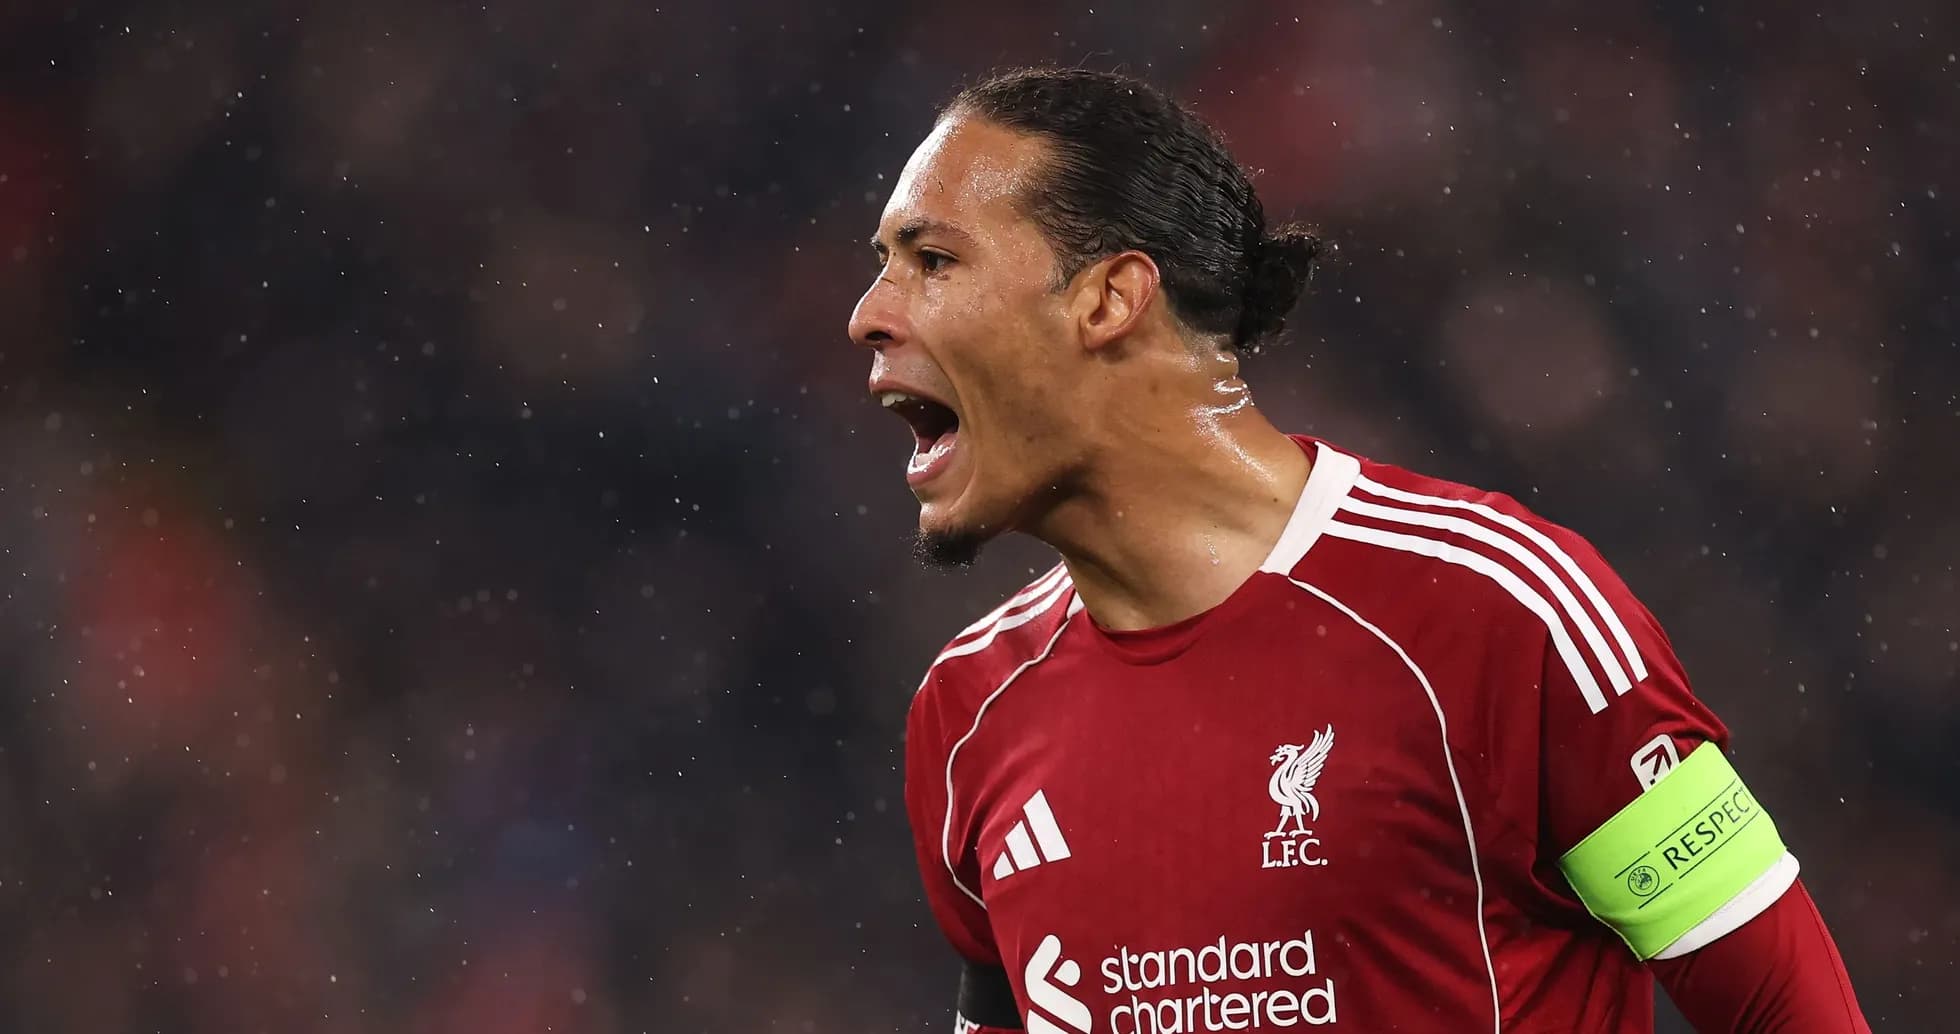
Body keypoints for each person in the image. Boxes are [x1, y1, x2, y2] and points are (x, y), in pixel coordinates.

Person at [847, 67, 1869, 1034]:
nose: (868, 315)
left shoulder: (1501, 608)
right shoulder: (968, 710)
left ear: (1109, 298)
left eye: (932, 260)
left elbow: (1791, 1012)